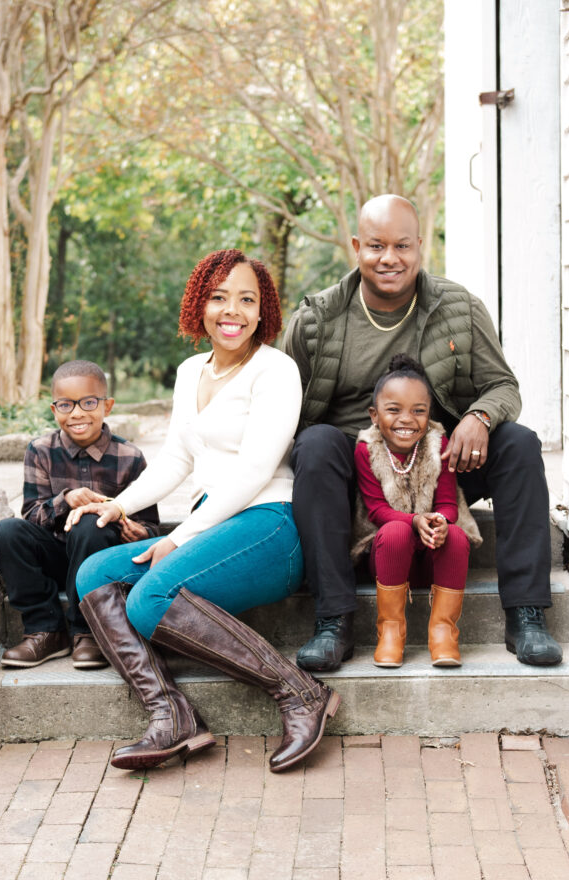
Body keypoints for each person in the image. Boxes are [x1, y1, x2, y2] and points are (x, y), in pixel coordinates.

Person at [69, 249, 340, 774]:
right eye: (218, 298)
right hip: (213, 527)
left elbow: (256, 469)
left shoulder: (276, 370)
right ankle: (172, 716)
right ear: (200, 304)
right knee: (93, 573)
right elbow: (176, 458)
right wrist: (117, 504)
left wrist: (181, 536)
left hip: (269, 526)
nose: (231, 311)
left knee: (149, 600)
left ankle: (299, 692)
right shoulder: (191, 369)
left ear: (264, 312)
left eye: (246, 299)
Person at [284, 194, 563, 671]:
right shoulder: (317, 319)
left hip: (440, 470)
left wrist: (480, 417)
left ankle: (526, 615)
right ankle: (334, 621)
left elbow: (502, 386)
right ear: (356, 247)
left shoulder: (459, 308)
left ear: (419, 248)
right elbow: (282, 408)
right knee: (314, 442)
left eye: (402, 246)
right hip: (356, 477)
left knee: (519, 442)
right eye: (375, 245)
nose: (389, 258)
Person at [0, 359, 160, 669]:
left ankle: (89, 632)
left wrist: (137, 530)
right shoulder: (40, 450)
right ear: (55, 410)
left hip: (102, 561)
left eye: (89, 402)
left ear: (107, 406)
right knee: (7, 531)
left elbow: (151, 528)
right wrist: (65, 500)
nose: (77, 413)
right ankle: (46, 630)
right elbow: (30, 516)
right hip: (57, 556)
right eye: (66, 405)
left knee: (89, 523)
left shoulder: (130, 457)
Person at [353, 354, 482, 667]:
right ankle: (391, 633)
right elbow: (376, 510)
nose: (406, 419)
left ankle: (443, 632)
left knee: (455, 535)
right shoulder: (366, 448)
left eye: (418, 411)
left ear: (429, 415)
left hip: (432, 560)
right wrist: (414, 521)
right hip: (389, 558)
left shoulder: (439, 444)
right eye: (393, 410)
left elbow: (449, 503)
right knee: (396, 530)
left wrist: (439, 523)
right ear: (374, 414)